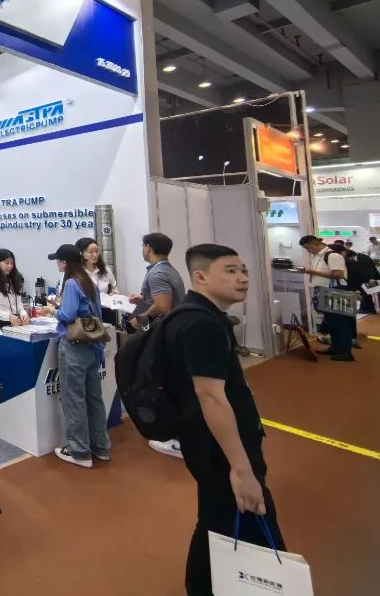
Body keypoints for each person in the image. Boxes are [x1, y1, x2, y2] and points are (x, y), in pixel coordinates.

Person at [163, 244, 285, 596]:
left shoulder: (197, 317)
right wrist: (241, 469)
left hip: (209, 443)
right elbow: (211, 396)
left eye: (243, 270)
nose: (242, 278)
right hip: (221, 448)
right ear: (200, 276)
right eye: (230, 270)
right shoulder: (201, 325)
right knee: (243, 517)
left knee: (216, 522)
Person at [41, 244, 111, 469]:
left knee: (74, 399)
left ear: (63, 262)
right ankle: (101, 447)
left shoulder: (71, 283)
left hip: (74, 346)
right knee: (94, 399)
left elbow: (68, 315)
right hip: (92, 345)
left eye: (58, 260)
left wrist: (52, 310)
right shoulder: (88, 281)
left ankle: (79, 451)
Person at [126, 233, 188, 458]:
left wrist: (140, 319)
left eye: (143, 246)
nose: (142, 250)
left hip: (165, 335)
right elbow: (160, 300)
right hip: (172, 333)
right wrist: (143, 300)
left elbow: (162, 306)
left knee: (167, 384)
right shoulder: (166, 270)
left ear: (148, 247)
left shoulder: (158, 273)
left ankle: (177, 439)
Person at [299, 235, 354, 361]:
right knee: (331, 322)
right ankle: (335, 347)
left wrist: (312, 272)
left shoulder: (333, 255)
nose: (308, 251)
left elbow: (338, 274)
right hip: (324, 291)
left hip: (336, 291)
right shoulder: (317, 256)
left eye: (308, 248)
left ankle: (345, 352)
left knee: (340, 323)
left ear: (315, 244)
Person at [0, 248, 30, 330]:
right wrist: (8, 316)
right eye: (7, 263)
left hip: (15, 324)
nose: (10, 266)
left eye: (12, 263)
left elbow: (18, 303)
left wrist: (23, 314)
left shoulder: (13, 281)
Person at [76, 236, 118, 322]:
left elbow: (114, 289)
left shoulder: (105, 270)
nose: (95, 255)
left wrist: (112, 295)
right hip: (86, 315)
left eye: (97, 251)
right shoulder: (77, 272)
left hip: (106, 312)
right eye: (90, 252)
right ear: (81, 253)